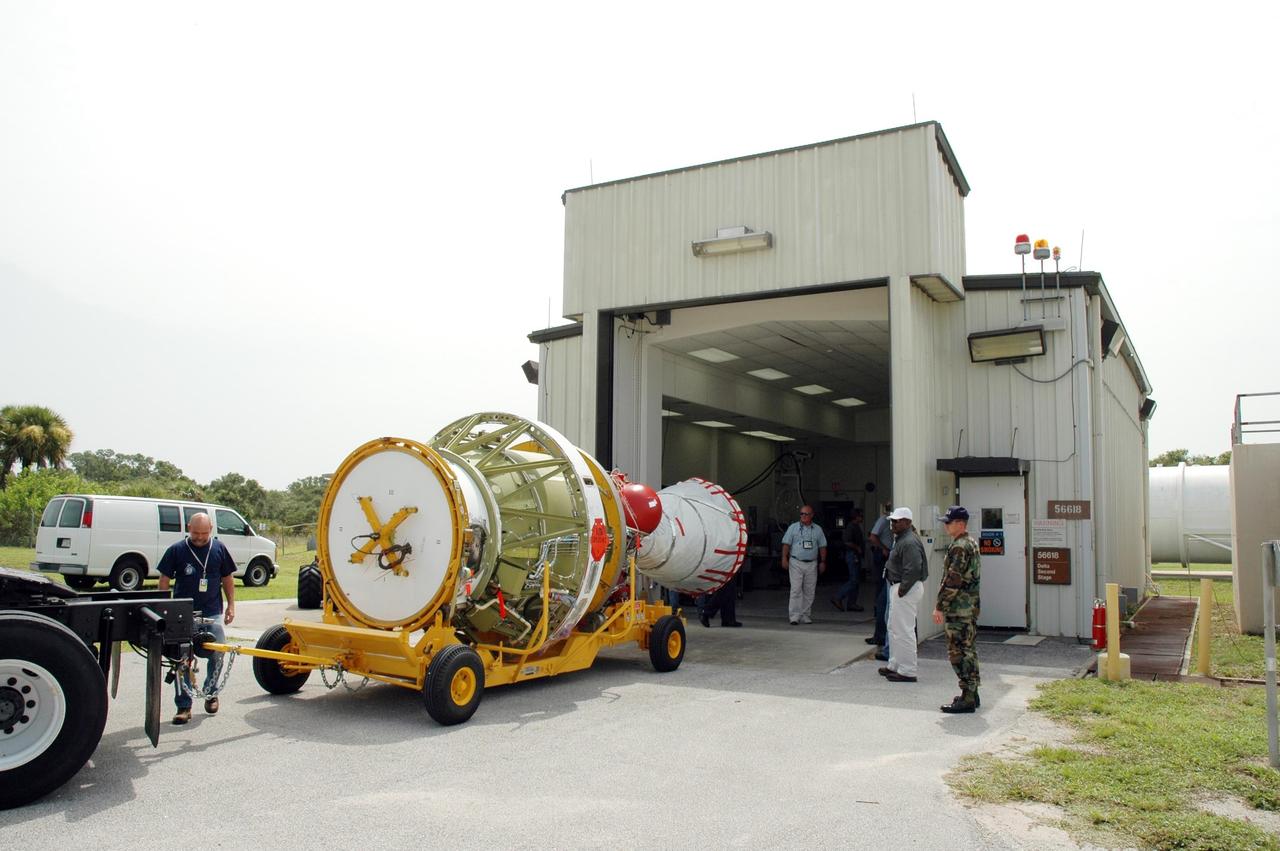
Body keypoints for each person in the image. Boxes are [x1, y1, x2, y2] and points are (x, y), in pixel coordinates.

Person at [157, 512, 237, 724]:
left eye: (204, 533)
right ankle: (184, 706)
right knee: (182, 658)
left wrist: (231, 605)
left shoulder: (219, 549)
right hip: (184, 613)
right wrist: (166, 608)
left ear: (211, 529)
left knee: (217, 653)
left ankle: (211, 693)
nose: (200, 537)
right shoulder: (176, 550)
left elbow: (228, 578)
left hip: (212, 612)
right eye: (195, 533)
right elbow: (164, 579)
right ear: (188, 528)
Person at [933, 506, 982, 713]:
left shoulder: (960, 546)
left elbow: (952, 580)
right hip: (967, 607)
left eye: (949, 522)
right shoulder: (970, 542)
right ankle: (971, 693)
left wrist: (939, 606)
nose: (946, 525)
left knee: (959, 652)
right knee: (968, 649)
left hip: (958, 608)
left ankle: (968, 697)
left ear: (960, 524)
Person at [878, 507, 928, 683]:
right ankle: (895, 664)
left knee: (904, 631)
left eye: (897, 521)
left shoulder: (908, 542)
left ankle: (907, 670)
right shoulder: (902, 538)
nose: (893, 523)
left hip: (905, 588)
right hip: (899, 587)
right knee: (894, 628)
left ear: (907, 522)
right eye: (892, 520)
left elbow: (913, 568)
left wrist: (902, 589)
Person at [780, 505, 826, 625]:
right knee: (796, 589)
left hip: (812, 563)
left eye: (806, 514)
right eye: (801, 514)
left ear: (812, 515)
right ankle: (794, 616)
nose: (803, 516)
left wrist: (823, 561)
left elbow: (822, 546)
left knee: (809, 590)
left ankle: (805, 614)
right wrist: (784, 558)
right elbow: (786, 544)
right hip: (796, 562)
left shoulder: (817, 529)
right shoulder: (793, 528)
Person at [865, 501, 894, 651]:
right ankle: (880, 635)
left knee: (883, 600)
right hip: (883, 557)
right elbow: (873, 537)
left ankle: (881, 635)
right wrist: (884, 549)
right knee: (882, 598)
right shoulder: (884, 520)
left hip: (890, 559)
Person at [831, 508, 865, 612]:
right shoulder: (851, 527)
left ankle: (852, 603)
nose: (862, 517)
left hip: (856, 556)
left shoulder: (856, 526)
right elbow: (846, 541)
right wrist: (857, 547)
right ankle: (838, 597)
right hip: (852, 555)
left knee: (856, 580)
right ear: (856, 516)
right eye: (861, 515)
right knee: (853, 579)